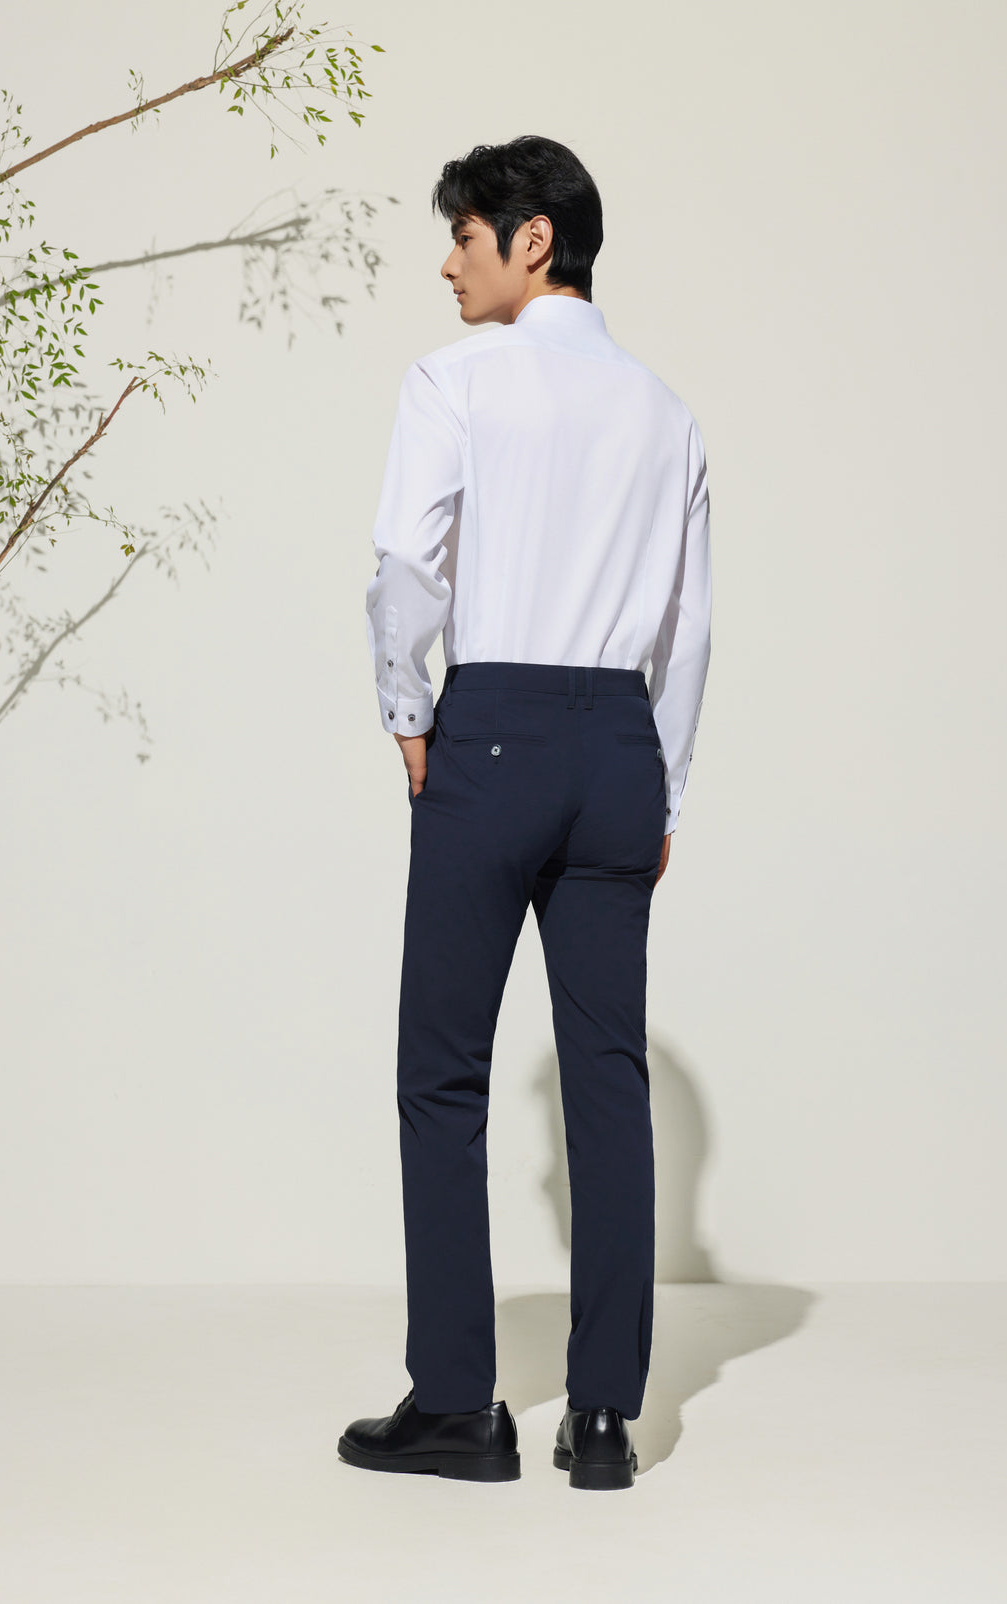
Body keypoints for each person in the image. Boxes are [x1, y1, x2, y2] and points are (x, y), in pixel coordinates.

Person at [339, 135, 712, 1492]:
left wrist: (407, 710)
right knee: (608, 1080)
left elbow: (407, 563)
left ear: (532, 238)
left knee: (443, 1070)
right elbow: (688, 629)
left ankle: (458, 1406)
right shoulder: (667, 413)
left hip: (489, 729)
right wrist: (661, 785)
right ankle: (603, 1420)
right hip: (618, 743)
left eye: (464, 236)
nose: (448, 264)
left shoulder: (455, 380)